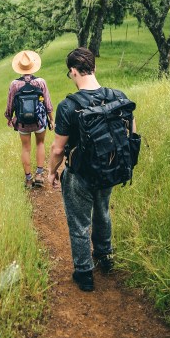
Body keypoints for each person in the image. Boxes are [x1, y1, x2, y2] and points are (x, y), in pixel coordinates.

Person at [47, 47, 137, 292]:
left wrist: (52, 172)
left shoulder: (68, 106)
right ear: (94, 68)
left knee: (78, 222)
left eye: (71, 73)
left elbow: (57, 149)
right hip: (110, 168)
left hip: (81, 175)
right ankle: (105, 256)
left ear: (73, 71)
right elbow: (132, 131)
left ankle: (84, 273)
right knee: (103, 211)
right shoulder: (118, 96)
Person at [5, 50, 54, 189]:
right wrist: (51, 119)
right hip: (39, 120)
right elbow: (48, 103)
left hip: (22, 123)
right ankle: (39, 175)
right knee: (40, 143)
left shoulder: (15, 84)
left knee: (25, 148)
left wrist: (9, 117)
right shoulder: (40, 82)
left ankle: (28, 179)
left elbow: (10, 103)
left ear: (19, 68)